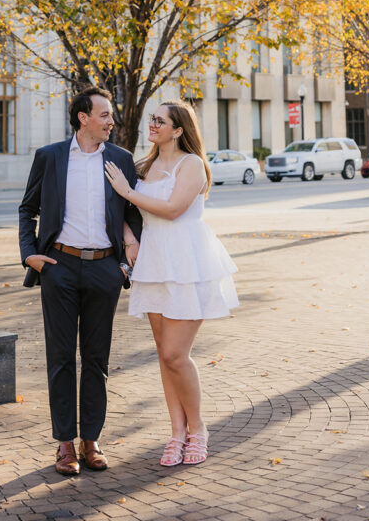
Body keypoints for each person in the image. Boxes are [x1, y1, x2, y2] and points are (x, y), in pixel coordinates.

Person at [105, 100, 238, 467]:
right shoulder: (143, 166)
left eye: (160, 121)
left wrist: (127, 192)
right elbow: (119, 211)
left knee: (176, 354)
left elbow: (175, 208)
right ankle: (176, 433)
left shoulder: (191, 164)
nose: (153, 125)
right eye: (152, 119)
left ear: (178, 129)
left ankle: (198, 429)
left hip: (187, 261)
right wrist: (129, 238)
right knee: (164, 356)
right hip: (154, 260)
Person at [18, 87, 142, 476]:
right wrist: (30, 255)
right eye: (104, 115)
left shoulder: (121, 159)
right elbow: (28, 209)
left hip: (105, 270)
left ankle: (91, 440)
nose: (111, 121)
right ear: (82, 118)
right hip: (60, 267)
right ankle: (65, 445)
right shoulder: (50, 157)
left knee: (96, 359)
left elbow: (133, 213)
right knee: (59, 359)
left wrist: (124, 266)